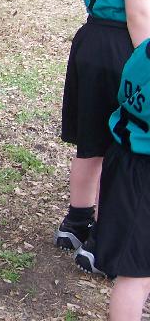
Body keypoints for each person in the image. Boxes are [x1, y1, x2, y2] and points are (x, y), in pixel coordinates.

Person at [55, 0, 150, 254]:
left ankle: (76, 222)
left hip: (90, 41)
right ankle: (104, 237)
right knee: (119, 146)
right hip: (119, 47)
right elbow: (139, 13)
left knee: (91, 142)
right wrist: (146, 63)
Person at [76, 38, 150, 320]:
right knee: (136, 275)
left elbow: (123, 94)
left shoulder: (143, 51)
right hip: (142, 170)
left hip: (124, 157)